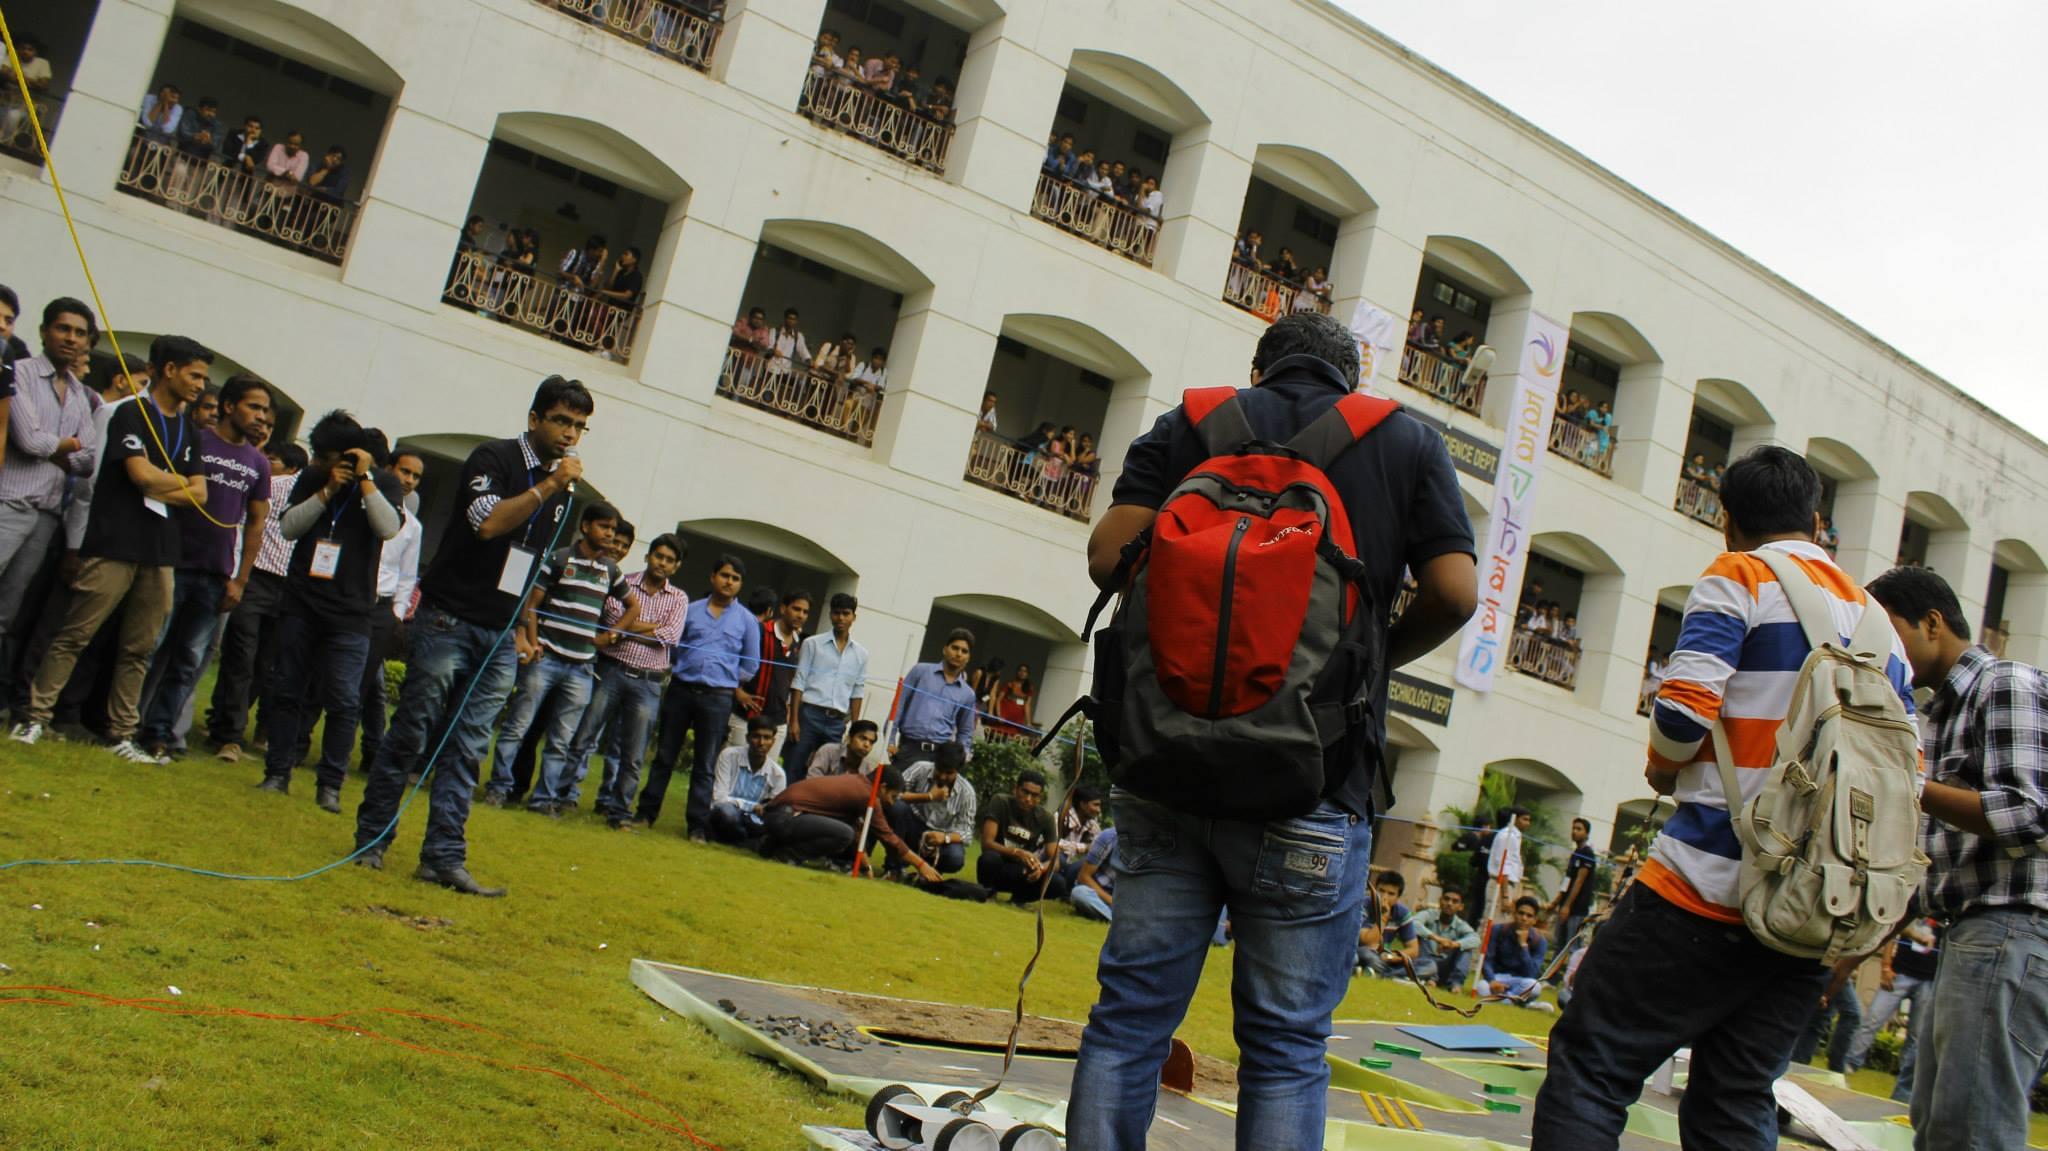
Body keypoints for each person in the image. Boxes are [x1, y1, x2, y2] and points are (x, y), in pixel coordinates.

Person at [1067, 310, 1478, 1149]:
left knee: (1130, 1018)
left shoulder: (1190, 423)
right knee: (1288, 1048)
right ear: (1349, 382)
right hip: (1314, 779)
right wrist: (1376, 659)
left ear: (1259, 370)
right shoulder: (1404, 442)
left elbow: (1110, 554)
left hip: (1164, 763)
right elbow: (1457, 591)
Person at [1532, 446, 1916, 1151]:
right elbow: (1904, 768)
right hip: (1808, 910)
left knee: (1593, 1065)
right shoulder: (1882, 629)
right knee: (1735, 1099)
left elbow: (1682, 715)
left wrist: (1662, 767)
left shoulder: (1740, 576)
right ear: (1818, 520)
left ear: (1728, 522)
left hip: (1703, 884)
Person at [351, 376, 588, 896]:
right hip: (449, 619)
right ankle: (372, 840)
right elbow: (487, 524)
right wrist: (547, 485)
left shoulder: (563, 492)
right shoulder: (494, 459)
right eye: (562, 421)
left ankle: (443, 858)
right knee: (413, 732)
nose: (571, 434)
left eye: (579, 426)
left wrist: (526, 628)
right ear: (535, 419)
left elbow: (531, 566)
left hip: (500, 633)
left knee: (468, 748)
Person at [1863, 564, 2048, 1151]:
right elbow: (1931, 863)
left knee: (1973, 1131)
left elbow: (2031, 813)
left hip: (2012, 925)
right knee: (1938, 1124)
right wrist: (1853, 950)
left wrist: (1908, 782)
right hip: (1972, 930)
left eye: (1890, 631)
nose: (1882, 649)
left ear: (1933, 622)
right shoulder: (1935, 715)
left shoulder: (2005, 685)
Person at [12, 334, 209, 760]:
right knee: (75, 634)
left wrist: (168, 482)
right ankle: (34, 717)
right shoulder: (129, 414)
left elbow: (203, 493)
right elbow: (141, 477)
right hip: (114, 542)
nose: (200, 385)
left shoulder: (189, 428)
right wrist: (179, 484)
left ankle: (121, 733)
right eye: (194, 375)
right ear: (169, 370)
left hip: (161, 550)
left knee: (139, 647)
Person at [256, 411, 403, 812]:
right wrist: (325, 492)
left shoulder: (385, 483)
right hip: (301, 602)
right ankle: (277, 772)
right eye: (320, 457)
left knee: (342, 699)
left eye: (331, 457)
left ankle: (330, 784)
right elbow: (288, 528)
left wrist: (366, 481)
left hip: (351, 612)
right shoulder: (312, 479)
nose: (324, 463)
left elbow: (388, 528)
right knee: (286, 689)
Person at [137, 374, 270, 760]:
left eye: (265, 411)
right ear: (229, 406)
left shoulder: (258, 463)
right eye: (254, 407)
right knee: (148, 647)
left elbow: (257, 523)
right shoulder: (195, 440)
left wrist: (240, 579)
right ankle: (123, 723)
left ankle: (159, 733)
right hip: (172, 562)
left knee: (188, 660)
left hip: (217, 574)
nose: (261, 417)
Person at [488, 500, 637, 814]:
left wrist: (610, 636)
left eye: (613, 529)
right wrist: (531, 641)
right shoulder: (559, 559)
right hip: (547, 658)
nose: (610, 534)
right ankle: (498, 789)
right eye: (604, 527)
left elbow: (632, 607)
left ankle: (543, 800)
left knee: (561, 740)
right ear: (585, 527)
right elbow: (532, 602)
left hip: (582, 666)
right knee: (517, 728)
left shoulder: (610, 570)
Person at [0, 299, 98, 681]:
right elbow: (29, 441)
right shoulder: (19, 373)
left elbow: (90, 460)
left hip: (46, 516)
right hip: (8, 501)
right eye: (63, 329)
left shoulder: (79, 393)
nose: (71, 339)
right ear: (44, 331)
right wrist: (69, 445)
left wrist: (62, 448)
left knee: (8, 611)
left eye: (79, 333)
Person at [565, 531, 689, 830]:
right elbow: (609, 620)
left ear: (676, 566)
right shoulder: (623, 582)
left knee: (633, 755)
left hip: (647, 682)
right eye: (658, 556)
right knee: (583, 739)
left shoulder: (679, 597)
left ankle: (619, 813)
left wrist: (626, 628)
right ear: (648, 556)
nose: (662, 563)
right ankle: (559, 796)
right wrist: (647, 628)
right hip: (613, 671)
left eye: (669, 560)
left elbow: (669, 636)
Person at [640, 554, 759, 838]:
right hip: (681, 689)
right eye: (725, 575)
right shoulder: (690, 610)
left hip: (717, 697)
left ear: (740, 584)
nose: (729, 582)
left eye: (735, 578)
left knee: (705, 764)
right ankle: (645, 814)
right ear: (713, 577)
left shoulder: (747, 620)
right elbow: (675, 648)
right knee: (664, 756)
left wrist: (725, 677)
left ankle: (696, 826)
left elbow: (751, 664)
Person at [205, 442, 305, 761]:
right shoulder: (275, 486)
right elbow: (248, 522)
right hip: (257, 576)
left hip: (290, 587)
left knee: (265, 664)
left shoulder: (326, 498)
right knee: (242, 656)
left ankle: (225, 724)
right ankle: (229, 735)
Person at [357, 449, 424, 772]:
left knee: (366, 684)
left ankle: (363, 752)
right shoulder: (363, 508)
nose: (408, 480)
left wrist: (397, 613)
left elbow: (407, 575)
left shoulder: (413, 526)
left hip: (382, 609)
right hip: (351, 600)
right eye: (404, 471)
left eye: (415, 476)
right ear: (388, 469)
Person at [759, 766, 942, 885]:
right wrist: (921, 864)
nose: (892, 803)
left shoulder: (858, 782)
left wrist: (865, 867)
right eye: (893, 796)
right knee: (843, 834)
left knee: (847, 830)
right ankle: (786, 856)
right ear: (883, 787)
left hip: (779, 816)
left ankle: (771, 846)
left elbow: (857, 832)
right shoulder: (867, 795)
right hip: (784, 817)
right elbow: (887, 837)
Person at [1843, 917, 1938, 1102]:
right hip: (1899, 974)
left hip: (1928, 980)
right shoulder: (1916, 908)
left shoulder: (1949, 914)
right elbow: (1893, 932)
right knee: (1872, 1019)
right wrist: (1886, 966)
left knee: (1917, 1035)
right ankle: (1849, 1064)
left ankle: (1904, 1085)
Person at [786, 591, 867, 784]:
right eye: (837, 613)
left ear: (853, 617)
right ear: (830, 614)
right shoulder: (812, 644)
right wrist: (794, 720)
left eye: (846, 613)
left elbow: (857, 691)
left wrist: (855, 729)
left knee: (827, 772)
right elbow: (799, 681)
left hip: (837, 722)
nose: (841, 618)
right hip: (809, 715)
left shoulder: (861, 654)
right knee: (794, 766)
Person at [728, 589, 806, 766]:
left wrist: (789, 711)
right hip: (747, 715)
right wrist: (738, 691)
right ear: (783, 608)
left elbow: (791, 679)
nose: (800, 615)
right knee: (734, 767)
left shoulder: (797, 642)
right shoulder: (761, 631)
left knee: (765, 776)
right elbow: (732, 660)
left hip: (777, 721)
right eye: (796, 609)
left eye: (805, 612)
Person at [893, 628, 978, 776]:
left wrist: (961, 756)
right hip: (909, 748)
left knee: (928, 798)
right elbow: (898, 706)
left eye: (964, 651)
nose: (958, 654)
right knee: (897, 795)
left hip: (940, 756)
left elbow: (965, 731)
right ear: (945, 649)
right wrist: (890, 740)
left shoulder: (968, 694)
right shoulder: (920, 672)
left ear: (968, 657)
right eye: (955, 648)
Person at [976, 770, 1068, 903]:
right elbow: (986, 843)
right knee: (989, 858)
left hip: (1022, 871)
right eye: (1025, 792)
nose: (1028, 799)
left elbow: (1056, 861)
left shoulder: (1046, 818)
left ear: (1040, 797)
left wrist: (1040, 869)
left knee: (1058, 883)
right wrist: (1017, 852)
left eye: (1034, 795)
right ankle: (988, 892)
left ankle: (1019, 899)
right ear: (1015, 789)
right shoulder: (1000, 802)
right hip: (997, 866)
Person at [889, 740, 976, 875]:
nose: (942, 776)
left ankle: (933, 873)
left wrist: (945, 837)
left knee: (955, 856)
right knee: (897, 808)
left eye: (949, 773)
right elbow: (893, 795)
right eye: (939, 770)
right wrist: (928, 796)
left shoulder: (967, 793)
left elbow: (967, 832)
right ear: (934, 762)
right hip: (913, 828)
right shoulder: (920, 768)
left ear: (958, 770)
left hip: (939, 838)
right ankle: (894, 868)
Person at [707, 716, 787, 847]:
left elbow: (772, 809)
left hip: (753, 821)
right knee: (727, 814)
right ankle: (746, 841)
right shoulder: (729, 756)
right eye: (756, 736)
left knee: (781, 819)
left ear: (773, 741)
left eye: (767, 738)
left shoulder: (778, 774)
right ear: (747, 738)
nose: (761, 743)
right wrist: (751, 806)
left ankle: (738, 839)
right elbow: (719, 799)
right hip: (728, 813)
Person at [1787, 964, 1865, 1073]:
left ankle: (1798, 1065)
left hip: (1834, 965)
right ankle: (1836, 1068)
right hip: (1835, 965)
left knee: (1819, 1018)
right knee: (1851, 1015)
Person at [1482, 897, 1550, 1006]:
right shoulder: (1498, 930)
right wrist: (1492, 980)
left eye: (1529, 916)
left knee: (1535, 987)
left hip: (1521, 981)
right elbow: (1487, 960)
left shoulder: (1540, 941)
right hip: (1498, 978)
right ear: (1514, 914)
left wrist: (1523, 945)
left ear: (1534, 920)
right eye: (1521, 913)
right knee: (1482, 987)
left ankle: (1504, 1000)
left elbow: (1532, 973)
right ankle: (1526, 1004)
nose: (1524, 918)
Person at [1408, 889, 1481, 990]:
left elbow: (1476, 939)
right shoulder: (1429, 914)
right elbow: (1413, 923)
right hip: (1423, 963)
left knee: (1466, 948)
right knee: (1421, 937)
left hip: (1445, 967)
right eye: (1446, 899)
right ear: (1440, 901)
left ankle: (1456, 984)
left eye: (1455, 901)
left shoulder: (1460, 924)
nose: (1449, 903)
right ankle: (1429, 978)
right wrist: (1436, 938)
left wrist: (1454, 944)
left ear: (1461, 907)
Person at [1547, 817, 1596, 958]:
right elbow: (1567, 881)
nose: (1574, 831)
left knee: (1573, 946)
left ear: (1586, 833)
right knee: (1558, 944)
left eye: (1579, 829)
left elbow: (1579, 881)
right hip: (1565, 906)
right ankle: (1553, 978)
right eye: (1573, 828)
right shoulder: (1575, 853)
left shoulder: (1587, 853)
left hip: (1577, 908)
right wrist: (1556, 902)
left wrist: (1567, 906)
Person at [1356, 871, 1418, 977]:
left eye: (1391, 894)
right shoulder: (1364, 905)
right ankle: (1392, 975)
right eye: (1381, 891)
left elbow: (1413, 950)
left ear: (1398, 898)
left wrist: (1390, 957)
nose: (1384, 897)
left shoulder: (1402, 913)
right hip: (1363, 952)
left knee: (1429, 965)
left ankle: (1379, 973)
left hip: (1385, 957)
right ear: (1374, 890)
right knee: (1368, 956)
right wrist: (1384, 916)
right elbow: (1368, 941)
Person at [0, 36, 52, 146]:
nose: (25, 51)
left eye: (30, 49)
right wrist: (28, 81)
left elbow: (43, 85)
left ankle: (4, 144)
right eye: (23, 48)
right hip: (6, 100)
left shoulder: (42, 63)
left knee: (13, 116)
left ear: (35, 52)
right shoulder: (11, 56)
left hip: (26, 105)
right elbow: (4, 73)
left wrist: (17, 76)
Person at [1483, 806, 1530, 925]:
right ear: (1515, 819)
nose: (1527, 823)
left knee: (1503, 924)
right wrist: (1505, 896)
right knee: (1491, 924)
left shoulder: (1516, 837)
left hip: (1508, 886)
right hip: (1500, 885)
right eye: (1524, 819)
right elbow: (1503, 866)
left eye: (1529, 820)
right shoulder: (1506, 836)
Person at [1070, 824, 1120, 922]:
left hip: (1127, 899)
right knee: (1079, 893)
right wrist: (1113, 902)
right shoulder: (1109, 837)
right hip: (1100, 895)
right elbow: (1083, 877)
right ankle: (1119, 921)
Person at [807, 717, 877, 779]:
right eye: (863, 738)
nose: (867, 745)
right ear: (849, 738)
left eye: (871, 742)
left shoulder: (868, 770)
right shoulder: (829, 751)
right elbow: (812, 779)